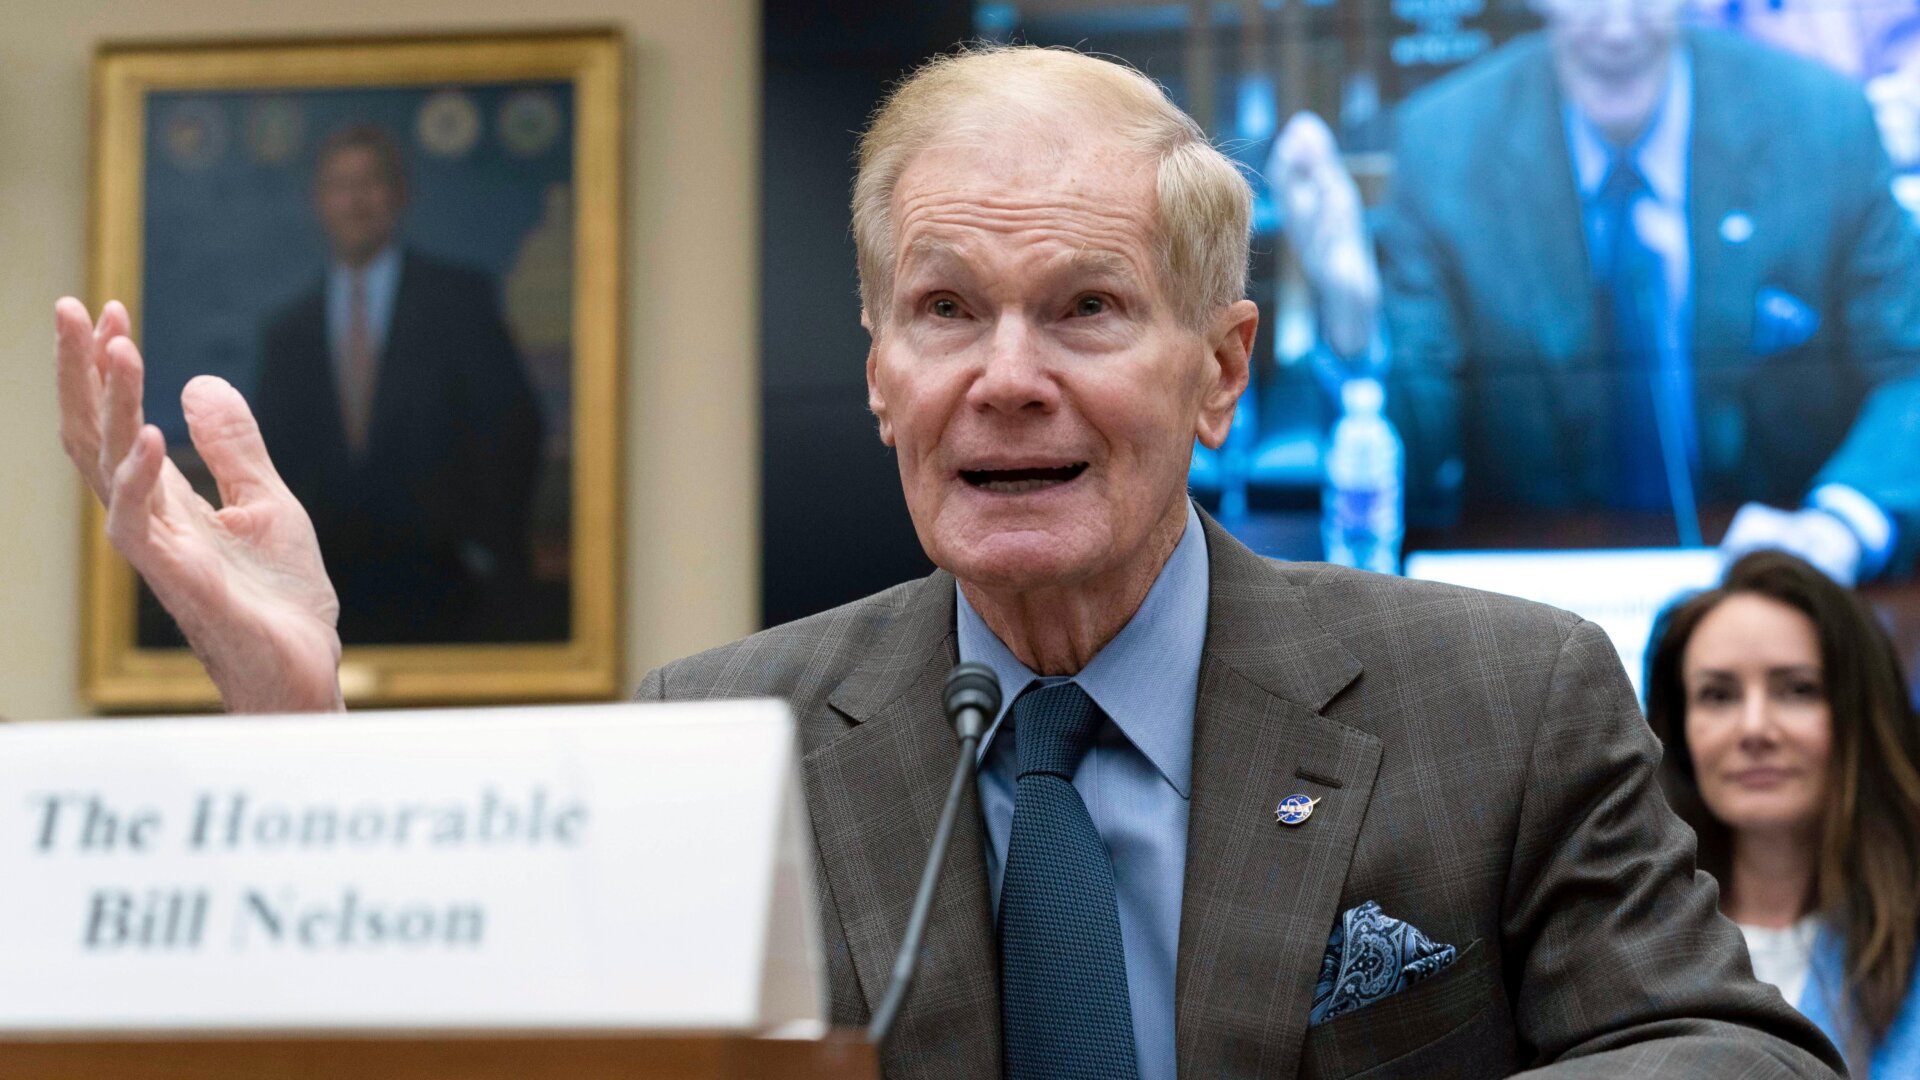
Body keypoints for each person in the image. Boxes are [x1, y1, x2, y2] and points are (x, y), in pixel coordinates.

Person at [54, 45, 1843, 1079]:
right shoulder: (724, 735)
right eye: (944, 310)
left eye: (1083, 310)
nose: (1005, 376)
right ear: (879, 375)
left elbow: (1740, 1059)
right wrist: (296, 733)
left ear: (1220, 372)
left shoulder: (1502, 697)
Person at [1378, 0, 1920, 584]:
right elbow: (1417, 443)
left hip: (1774, 590)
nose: (1617, 21)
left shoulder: (1821, 121)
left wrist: (1839, 524)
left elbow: (1909, 367)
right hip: (1535, 595)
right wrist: (1354, 331)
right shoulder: (1444, 147)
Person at [254, 124, 545, 644]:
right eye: (340, 186)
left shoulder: (461, 302)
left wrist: (479, 548)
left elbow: (514, 430)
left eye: (371, 183)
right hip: (326, 605)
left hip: (454, 595)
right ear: (319, 201)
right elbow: (273, 465)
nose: (355, 201)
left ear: (400, 193)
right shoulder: (288, 332)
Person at [1645, 549, 1920, 1075]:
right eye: (1717, 695)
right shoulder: (1624, 944)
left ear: (1861, 715)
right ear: (1679, 733)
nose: (1754, 729)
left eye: (1798, 690)